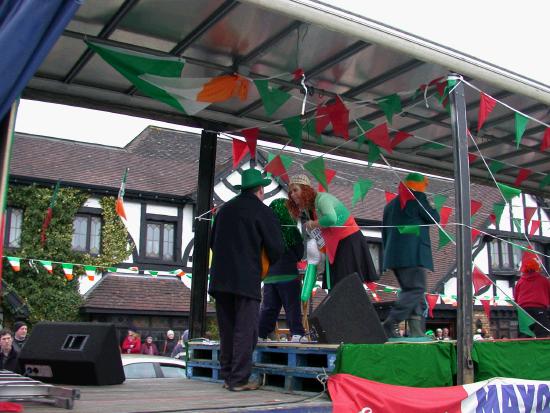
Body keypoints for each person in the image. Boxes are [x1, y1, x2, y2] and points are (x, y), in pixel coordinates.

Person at [209, 168, 284, 392]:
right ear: (261, 189)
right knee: (246, 329)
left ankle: (227, 375)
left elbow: (213, 242)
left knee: (228, 329)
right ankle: (238, 380)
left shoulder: (223, 210)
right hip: (246, 279)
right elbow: (277, 248)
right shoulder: (262, 211)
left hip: (220, 278)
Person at [286, 174, 377, 289]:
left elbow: (331, 218)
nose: (292, 194)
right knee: (336, 285)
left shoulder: (322, 199)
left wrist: (313, 224)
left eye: (295, 190)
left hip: (348, 242)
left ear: (305, 190)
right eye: (290, 192)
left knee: (344, 284)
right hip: (335, 245)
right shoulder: (310, 208)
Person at [381, 173, 440, 338]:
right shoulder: (418, 198)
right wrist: (432, 205)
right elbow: (434, 219)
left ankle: (416, 331)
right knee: (416, 288)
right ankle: (391, 322)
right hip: (413, 254)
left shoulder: (390, 205)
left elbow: (384, 232)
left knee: (412, 291)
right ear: (420, 185)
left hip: (394, 255)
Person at [258, 198, 305, 342]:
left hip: (270, 277)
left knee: (269, 308)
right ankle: (297, 333)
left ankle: (260, 334)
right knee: (292, 307)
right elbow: (299, 253)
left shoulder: (266, 231)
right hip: (288, 275)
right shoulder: (291, 230)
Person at [514, 251, 550, 338]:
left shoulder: (520, 281)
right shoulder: (543, 280)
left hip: (523, 310)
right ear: (537, 268)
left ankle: (524, 350)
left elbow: (516, 297)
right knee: (542, 333)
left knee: (524, 333)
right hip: (539, 309)